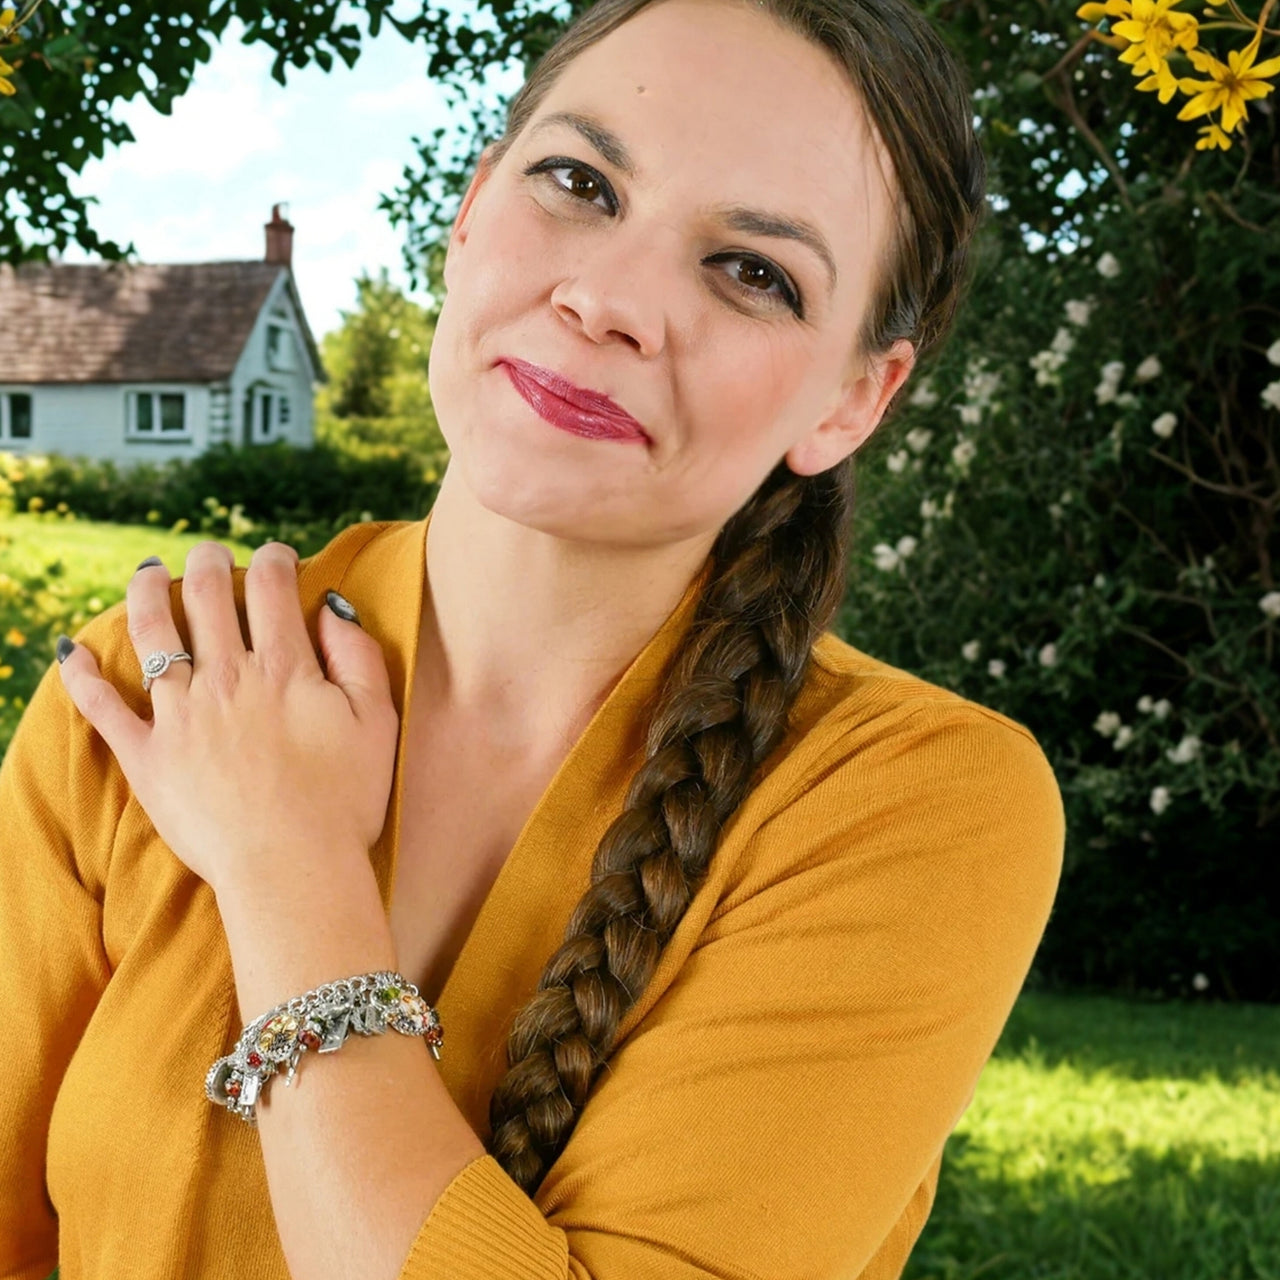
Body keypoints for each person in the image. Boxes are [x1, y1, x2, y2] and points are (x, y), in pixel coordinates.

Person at [0, 0, 1065, 1274]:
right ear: (469, 208)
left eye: (752, 272)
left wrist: (287, 866)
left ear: (849, 399)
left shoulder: (913, 804)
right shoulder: (151, 684)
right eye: (578, 180)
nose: (606, 298)